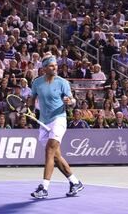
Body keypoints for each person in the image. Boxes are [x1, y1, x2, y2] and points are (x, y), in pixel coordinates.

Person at [29, 54, 83, 199]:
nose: (55, 68)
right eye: (52, 66)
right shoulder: (36, 83)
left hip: (59, 119)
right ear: (44, 68)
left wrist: (69, 101)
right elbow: (32, 99)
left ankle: (44, 188)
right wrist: (27, 109)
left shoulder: (63, 82)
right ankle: (75, 182)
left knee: (49, 150)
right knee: (56, 157)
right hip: (43, 121)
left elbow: (72, 101)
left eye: (56, 65)